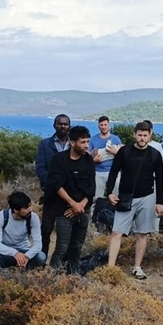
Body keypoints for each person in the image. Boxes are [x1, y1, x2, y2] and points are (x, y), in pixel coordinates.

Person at [104, 120, 163, 279]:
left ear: (150, 135)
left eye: (145, 135)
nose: (142, 138)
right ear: (134, 135)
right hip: (125, 196)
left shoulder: (155, 154)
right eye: (139, 135)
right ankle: (110, 268)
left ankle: (137, 267)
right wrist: (109, 192)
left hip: (147, 197)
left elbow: (159, 179)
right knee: (117, 232)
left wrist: (160, 202)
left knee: (142, 233)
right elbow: (113, 172)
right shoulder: (124, 152)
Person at [44, 125, 95, 274]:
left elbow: (91, 188)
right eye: (83, 142)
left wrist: (81, 206)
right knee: (62, 247)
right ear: (72, 142)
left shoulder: (88, 161)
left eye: (88, 142)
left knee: (76, 248)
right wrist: (73, 204)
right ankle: (52, 277)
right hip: (63, 211)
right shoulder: (59, 160)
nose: (86, 145)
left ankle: (73, 276)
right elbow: (56, 185)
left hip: (82, 210)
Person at [35, 114, 71, 258]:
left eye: (65, 124)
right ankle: (41, 259)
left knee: (65, 232)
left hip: (69, 195)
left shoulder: (73, 144)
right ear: (54, 125)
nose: (63, 126)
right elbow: (40, 168)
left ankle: (61, 262)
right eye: (60, 124)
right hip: (50, 194)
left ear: (69, 126)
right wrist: (53, 184)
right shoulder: (45, 144)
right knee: (46, 229)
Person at [0, 191, 45, 270]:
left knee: (41, 257)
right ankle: (5, 272)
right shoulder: (1, 217)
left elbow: (38, 245)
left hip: (25, 251)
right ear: (15, 210)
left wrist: (27, 257)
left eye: (30, 206)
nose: (30, 209)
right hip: (7, 252)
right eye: (26, 208)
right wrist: (15, 253)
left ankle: (26, 270)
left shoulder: (33, 218)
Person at [90, 115, 122, 199]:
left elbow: (122, 156)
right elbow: (87, 155)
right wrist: (94, 160)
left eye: (105, 125)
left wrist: (115, 152)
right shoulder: (93, 139)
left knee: (115, 196)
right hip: (98, 172)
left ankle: (114, 212)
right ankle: (95, 212)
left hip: (114, 171)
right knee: (96, 197)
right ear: (98, 126)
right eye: (101, 125)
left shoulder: (116, 139)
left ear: (109, 125)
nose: (103, 127)